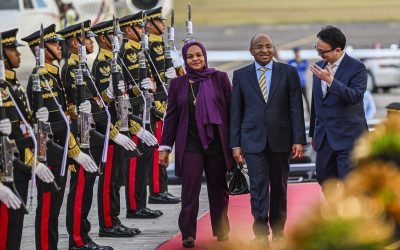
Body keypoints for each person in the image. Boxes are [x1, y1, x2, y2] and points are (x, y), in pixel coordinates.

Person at [230, 34, 306, 248]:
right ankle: (261, 231)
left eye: (268, 46)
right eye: (259, 47)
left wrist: (298, 139)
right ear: (251, 51)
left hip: (281, 140)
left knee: (280, 187)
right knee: (258, 186)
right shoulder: (241, 75)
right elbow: (236, 112)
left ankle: (279, 229)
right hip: (252, 141)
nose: (264, 50)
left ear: (274, 48)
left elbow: (296, 108)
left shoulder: (288, 72)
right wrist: (235, 144)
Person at [159, 41, 231, 248]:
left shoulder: (220, 78)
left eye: (199, 55)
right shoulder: (178, 84)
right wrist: (165, 147)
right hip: (190, 143)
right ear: (185, 60)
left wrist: (237, 145)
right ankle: (188, 233)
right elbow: (170, 117)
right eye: (190, 57)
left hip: (217, 142)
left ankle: (222, 230)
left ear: (205, 56)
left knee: (219, 189)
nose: (195, 59)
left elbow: (232, 111)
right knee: (189, 189)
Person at [57, 20, 117, 249]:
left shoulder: (80, 66)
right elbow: (79, 106)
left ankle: (83, 236)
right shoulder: (72, 69)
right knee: (81, 187)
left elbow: (96, 102)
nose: (92, 42)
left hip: (88, 131)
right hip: (80, 134)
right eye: (88, 39)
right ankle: (78, 240)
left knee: (89, 182)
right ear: (76, 42)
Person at [0, 28, 57, 250]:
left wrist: (35, 119)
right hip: (6, 165)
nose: (18, 53)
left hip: (19, 163)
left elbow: (22, 125)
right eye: (12, 49)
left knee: (15, 223)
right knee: (5, 227)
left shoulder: (12, 86)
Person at [91, 19, 143, 238]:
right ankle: (108, 224)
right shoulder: (103, 64)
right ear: (104, 38)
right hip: (109, 129)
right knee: (109, 180)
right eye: (115, 35)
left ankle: (115, 219)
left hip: (120, 126)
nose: (119, 38)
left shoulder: (115, 60)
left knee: (117, 177)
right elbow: (103, 102)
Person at [118, 11, 165, 219]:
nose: (144, 30)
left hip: (147, 110)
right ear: (129, 30)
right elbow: (125, 89)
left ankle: (141, 203)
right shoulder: (126, 52)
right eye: (139, 27)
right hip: (135, 113)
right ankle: (134, 206)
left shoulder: (140, 51)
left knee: (146, 159)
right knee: (136, 162)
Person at [309, 25, 367, 187]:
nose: (319, 54)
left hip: (349, 138)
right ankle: (336, 210)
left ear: (337, 50)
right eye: (317, 49)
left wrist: (331, 82)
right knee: (324, 180)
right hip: (324, 138)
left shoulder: (357, 68)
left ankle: (349, 212)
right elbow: (317, 103)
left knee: (349, 184)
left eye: (322, 51)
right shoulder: (319, 66)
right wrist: (314, 133)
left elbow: (355, 96)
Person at [144, 7, 180, 205]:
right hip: (157, 101)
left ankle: (161, 188)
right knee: (160, 146)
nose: (164, 25)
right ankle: (157, 190)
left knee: (163, 145)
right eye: (160, 22)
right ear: (150, 24)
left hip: (164, 98)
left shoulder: (159, 44)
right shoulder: (151, 45)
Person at [287, 47, 310, 115]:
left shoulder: (303, 61)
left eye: (297, 51)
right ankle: (295, 114)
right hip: (295, 84)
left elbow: (304, 69)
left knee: (306, 99)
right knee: (295, 101)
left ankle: (309, 114)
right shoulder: (290, 61)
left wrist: (299, 62)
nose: (296, 53)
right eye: (295, 51)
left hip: (303, 83)